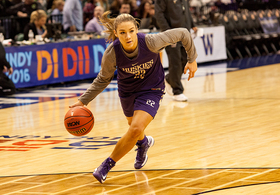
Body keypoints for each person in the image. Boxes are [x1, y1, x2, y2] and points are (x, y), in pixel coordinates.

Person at [69, 11, 198, 184]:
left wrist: (192, 59)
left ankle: (106, 165)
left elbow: (183, 32)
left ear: (136, 29)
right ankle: (143, 143)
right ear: (116, 33)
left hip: (152, 88)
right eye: (122, 32)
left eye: (131, 30)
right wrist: (82, 101)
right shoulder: (112, 53)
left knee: (136, 127)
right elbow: (103, 79)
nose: (128, 36)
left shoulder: (152, 42)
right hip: (128, 91)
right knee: (134, 127)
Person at [155, 0, 198, 102]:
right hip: (171, 35)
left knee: (185, 60)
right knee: (175, 62)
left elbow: (186, 12)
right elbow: (159, 14)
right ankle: (177, 91)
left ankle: (170, 79)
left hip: (184, 34)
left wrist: (193, 25)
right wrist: (168, 32)